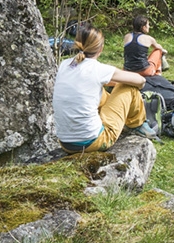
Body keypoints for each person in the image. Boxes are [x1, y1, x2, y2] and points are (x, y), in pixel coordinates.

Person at [53, 25, 157, 154]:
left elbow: (85, 73)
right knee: (128, 86)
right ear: (100, 49)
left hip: (65, 144)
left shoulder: (65, 65)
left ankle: (119, 120)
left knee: (96, 90)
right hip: (93, 141)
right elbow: (140, 80)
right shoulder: (99, 70)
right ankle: (137, 125)